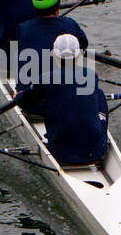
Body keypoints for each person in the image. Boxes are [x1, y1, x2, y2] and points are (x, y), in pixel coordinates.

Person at [16, 34, 110, 166]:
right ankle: (94, 131)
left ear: (54, 54)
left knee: (43, 100)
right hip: (96, 151)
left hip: (60, 153)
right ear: (78, 55)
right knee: (99, 94)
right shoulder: (90, 75)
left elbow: (24, 102)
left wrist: (18, 96)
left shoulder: (46, 78)